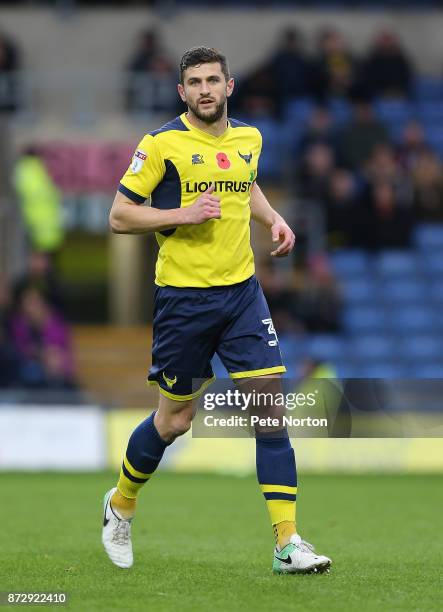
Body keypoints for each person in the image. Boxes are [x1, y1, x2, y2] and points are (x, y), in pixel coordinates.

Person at [103, 46, 331, 575]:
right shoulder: (161, 144)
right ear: (182, 92)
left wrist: (273, 218)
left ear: (229, 86)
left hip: (242, 294)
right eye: (195, 83)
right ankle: (121, 504)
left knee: (269, 412)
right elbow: (118, 216)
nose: (205, 89)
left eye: (213, 80)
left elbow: (243, 186)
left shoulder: (249, 138)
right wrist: (184, 212)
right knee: (175, 420)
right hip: (183, 299)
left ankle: (287, 542)